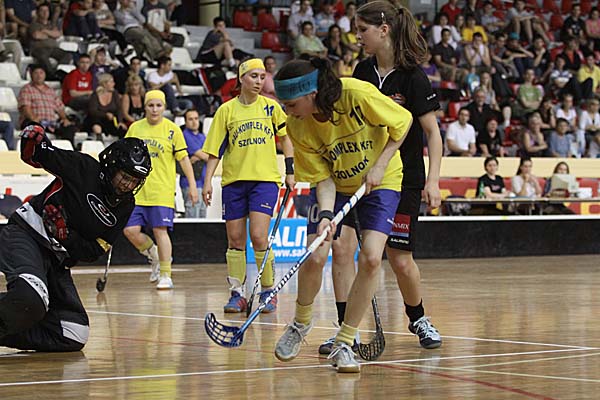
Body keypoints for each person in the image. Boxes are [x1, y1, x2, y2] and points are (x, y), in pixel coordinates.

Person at [314, 0, 443, 355]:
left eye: (362, 30)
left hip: (404, 178)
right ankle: (347, 331)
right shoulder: (361, 71)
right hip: (360, 175)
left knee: (399, 259)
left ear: (383, 30)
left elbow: (432, 133)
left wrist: (433, 180)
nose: (357, 37)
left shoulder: (413, 77)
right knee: (342, 249)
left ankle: (418, 317)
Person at [272, 56, 413, 373]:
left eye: (291, 104)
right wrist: (325, 214)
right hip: (336, 187)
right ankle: (300, 323)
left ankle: (345, 341)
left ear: (311, 94)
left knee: (372, 258)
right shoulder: (297, 125)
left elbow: (403, 122)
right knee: (317, 253)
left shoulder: (356, 94)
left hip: (382, 181)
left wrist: (380, 164)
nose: (287, 111)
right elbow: (322, 178)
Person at [0, 126, 151, 351]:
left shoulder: (126, 205)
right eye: (125, 176)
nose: (128, 185)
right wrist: (34, 138)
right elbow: (37, 154)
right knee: (32, 298)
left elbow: (94, 251)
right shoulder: (83, 167)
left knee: (73, 332)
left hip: (58, 260)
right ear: (112, 166)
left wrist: (66, 236)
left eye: (135, 181)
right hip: (26, 234)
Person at [202, 59, 295, 314]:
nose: (259, 81)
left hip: (264, 181)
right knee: (235, 239)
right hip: (234, 182)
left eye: (262, 77)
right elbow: (215, 150)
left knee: (259, 236)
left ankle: (268, 291)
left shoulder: (271, 108)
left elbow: (287, 139)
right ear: (241, 78)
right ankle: (237, 293)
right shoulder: (226, 111)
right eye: (254, 76)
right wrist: (208, 181)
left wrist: (290, 171)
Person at [123, 90, 198, 290]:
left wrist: (192, 185)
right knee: (130, 230)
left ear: (164, 107)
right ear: (145, 107)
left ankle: (166, 274)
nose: (155, 109)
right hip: (137, 191)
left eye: (158, 105)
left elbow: (184, 159)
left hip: (162, 190)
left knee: (160, 230)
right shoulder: (135, 128)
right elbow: (124, 156)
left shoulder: (172, 130)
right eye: (151, 105)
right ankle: (154, 254)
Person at [18, 65, 77, 144]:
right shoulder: (26, 89)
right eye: (36, 73)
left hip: (51, 123)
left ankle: (67, 150)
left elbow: (60, 107)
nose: (39, 75)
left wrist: (64, 119)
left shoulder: (50, 91)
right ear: (31, 75)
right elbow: (25, 107)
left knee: (69, 128)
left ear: (45, 75)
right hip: (34, 121)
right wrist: (34, 118)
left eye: (41, 73)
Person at [180, 109, 208, 218]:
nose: (194, 122)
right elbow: (206, 156)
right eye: (190, 119)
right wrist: (202, 155)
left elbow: (211, 156)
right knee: (192, 215)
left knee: (202, 215)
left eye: (196, 118)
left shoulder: (202, 136)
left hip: (203, 181)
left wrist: (199, 155)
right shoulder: (184, 136)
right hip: (189, 183)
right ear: (185, 122)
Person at [85, 73, 125, 140]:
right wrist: (105, 114)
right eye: (111, 82)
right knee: (95, 121)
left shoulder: (115, 93)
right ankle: (99, 138)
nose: (114, 84)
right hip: (97, 119)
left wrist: (120, 121)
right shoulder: (95, 95)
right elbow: (93, 111)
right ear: (104, 84)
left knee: (121, 129)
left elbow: (119, 109)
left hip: (111, 120)